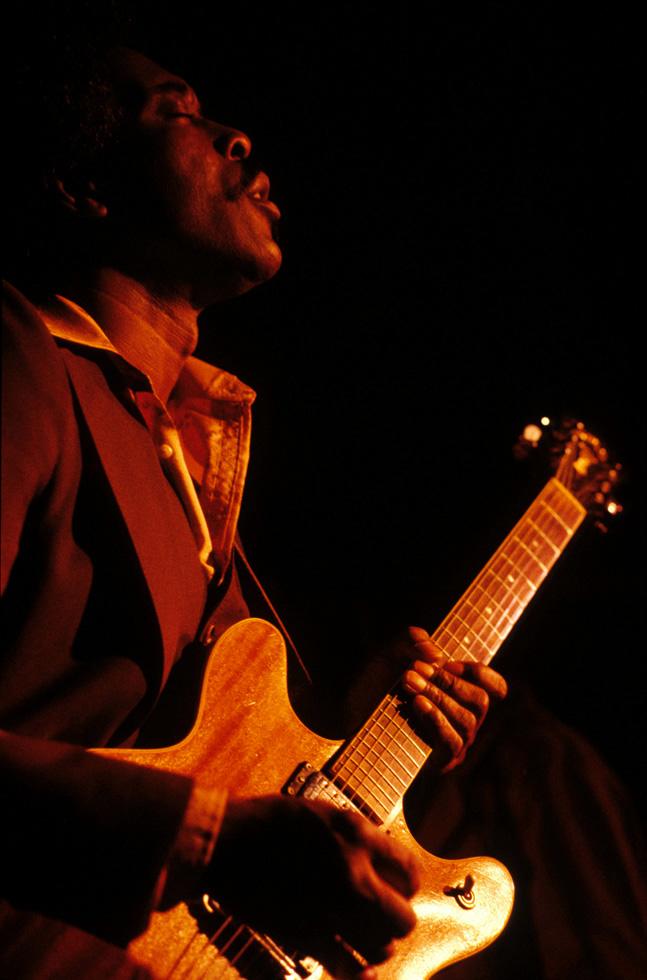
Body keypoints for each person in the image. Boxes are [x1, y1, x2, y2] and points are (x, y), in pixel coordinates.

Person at [1, 45, 508, 977]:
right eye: (174, 112)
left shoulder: (187, 450)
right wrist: (207, 840)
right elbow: (195, 818)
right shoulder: (21, 359)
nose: (238, 135)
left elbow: (184, 744)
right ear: (82, 186)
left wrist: (347, 722)